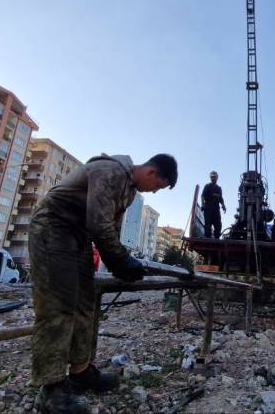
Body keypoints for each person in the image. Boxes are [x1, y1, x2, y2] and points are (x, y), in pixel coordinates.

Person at [29, 153, 177, 413]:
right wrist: (121, 260)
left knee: (85, 305)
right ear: (152, 172)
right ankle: (50, 389)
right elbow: (98, 224)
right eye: (158, 186)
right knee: (58, 308)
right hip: (54, 228)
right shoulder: (110, 171)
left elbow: (109, 229)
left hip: (79, 237)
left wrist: (122, 262)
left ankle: (80, 371)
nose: (154, 192)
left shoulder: (128, 192)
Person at [201, 170, 226, 238]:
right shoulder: (207, 186)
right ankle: (207, 238)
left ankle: (216, 239)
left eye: (214, 177)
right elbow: (202, 196)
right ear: (210, 178)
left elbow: (221, 199)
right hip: (208, 208)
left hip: (216, 209)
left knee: (218, 225)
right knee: (207, 225)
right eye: (211, 177)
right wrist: (203, 205)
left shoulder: (219, 188)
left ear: (217, 177)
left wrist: (223, 206)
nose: (213, 178)